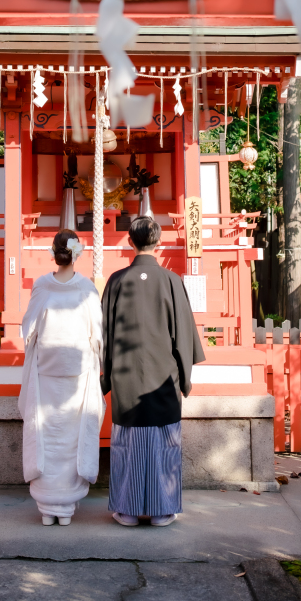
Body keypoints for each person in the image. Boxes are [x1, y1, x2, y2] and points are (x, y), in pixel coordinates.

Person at [101, 215, 206, 527]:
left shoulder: (117, 281)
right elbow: (184, 334)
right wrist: (184, 379)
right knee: (165, 443)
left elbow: (104, 334)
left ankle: (128, 510)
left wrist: (104, 376)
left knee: (127, 445)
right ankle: (162, 510)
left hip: (125, 377)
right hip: (163, 378)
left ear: (130, 242)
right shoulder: (172, 281)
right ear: (158, 243)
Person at [18, 229, 104, 526]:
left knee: (46, 433)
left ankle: (47, 506)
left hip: (47, 372)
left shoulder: (42, 285)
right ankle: (65, 508)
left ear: (54, 254)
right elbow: (98, 334)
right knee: (71, 436)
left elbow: (27, 329)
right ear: (76, 254)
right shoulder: (86, 288)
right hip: (77, 374)